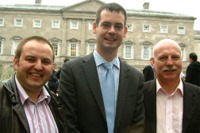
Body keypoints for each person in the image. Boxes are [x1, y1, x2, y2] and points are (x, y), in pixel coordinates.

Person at [58, 3, 145, 133]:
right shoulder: (71, 70)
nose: (112, 31)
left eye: (118, 26)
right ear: (95, 27)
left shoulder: (135, 77)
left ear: (125, 32)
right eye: (106, 25)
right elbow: (68, 121)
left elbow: (138, 123)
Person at [0, 36, 66, 133]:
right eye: (31, 59)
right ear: (16, 62)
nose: (39, 67)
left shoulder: (57, 103)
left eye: (45, 62)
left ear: (52, 67)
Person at [143, 39, 200, 133]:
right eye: (163, 58)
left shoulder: (198, 95)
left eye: (175, 57)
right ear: (152, 62)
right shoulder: (139, 95)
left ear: (181, 60)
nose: (170, 63)